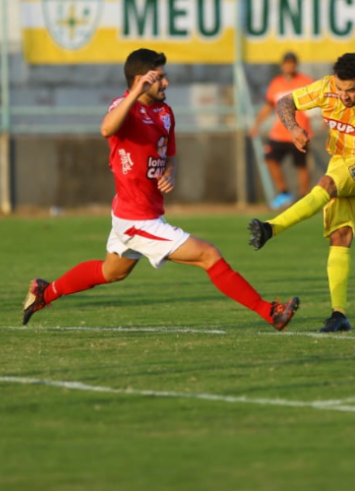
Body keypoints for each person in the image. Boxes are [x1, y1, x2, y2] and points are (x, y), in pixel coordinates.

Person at [21, 48, 300, 331]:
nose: (166, 83)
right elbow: (107, 129)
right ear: (142, 80)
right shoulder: (123, 108)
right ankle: (270, 312)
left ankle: (46, 292)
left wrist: (171, 171)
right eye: (160, 78)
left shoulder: (165, 112)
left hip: (140, 212)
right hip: (136, 218)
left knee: (111, 272)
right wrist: (134, 94)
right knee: (209, 255)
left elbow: (171, 154)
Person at [247, 53, 355, 333]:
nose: (344, 96)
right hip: (341, 160)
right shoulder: (326, 88)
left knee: (326, 184)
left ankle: (271, 228)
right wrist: (293, 127)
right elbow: (285, 101)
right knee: (340, 236)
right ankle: (339, 314)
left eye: (351, 90)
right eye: (340, 89)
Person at [249, 52, 314, 210]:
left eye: (292, 63)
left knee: (301, 165)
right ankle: (284, 192)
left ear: (296, 65)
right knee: (270, 158)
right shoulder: (276, 83)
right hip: (279, 133)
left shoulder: (305, 82)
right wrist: (256, 124)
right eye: (286, 63)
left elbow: (320, 102)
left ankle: (304, 197)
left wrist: (327, 120)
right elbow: (269, 105)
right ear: (282, 65)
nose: (289, 66)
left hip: (299, 132)